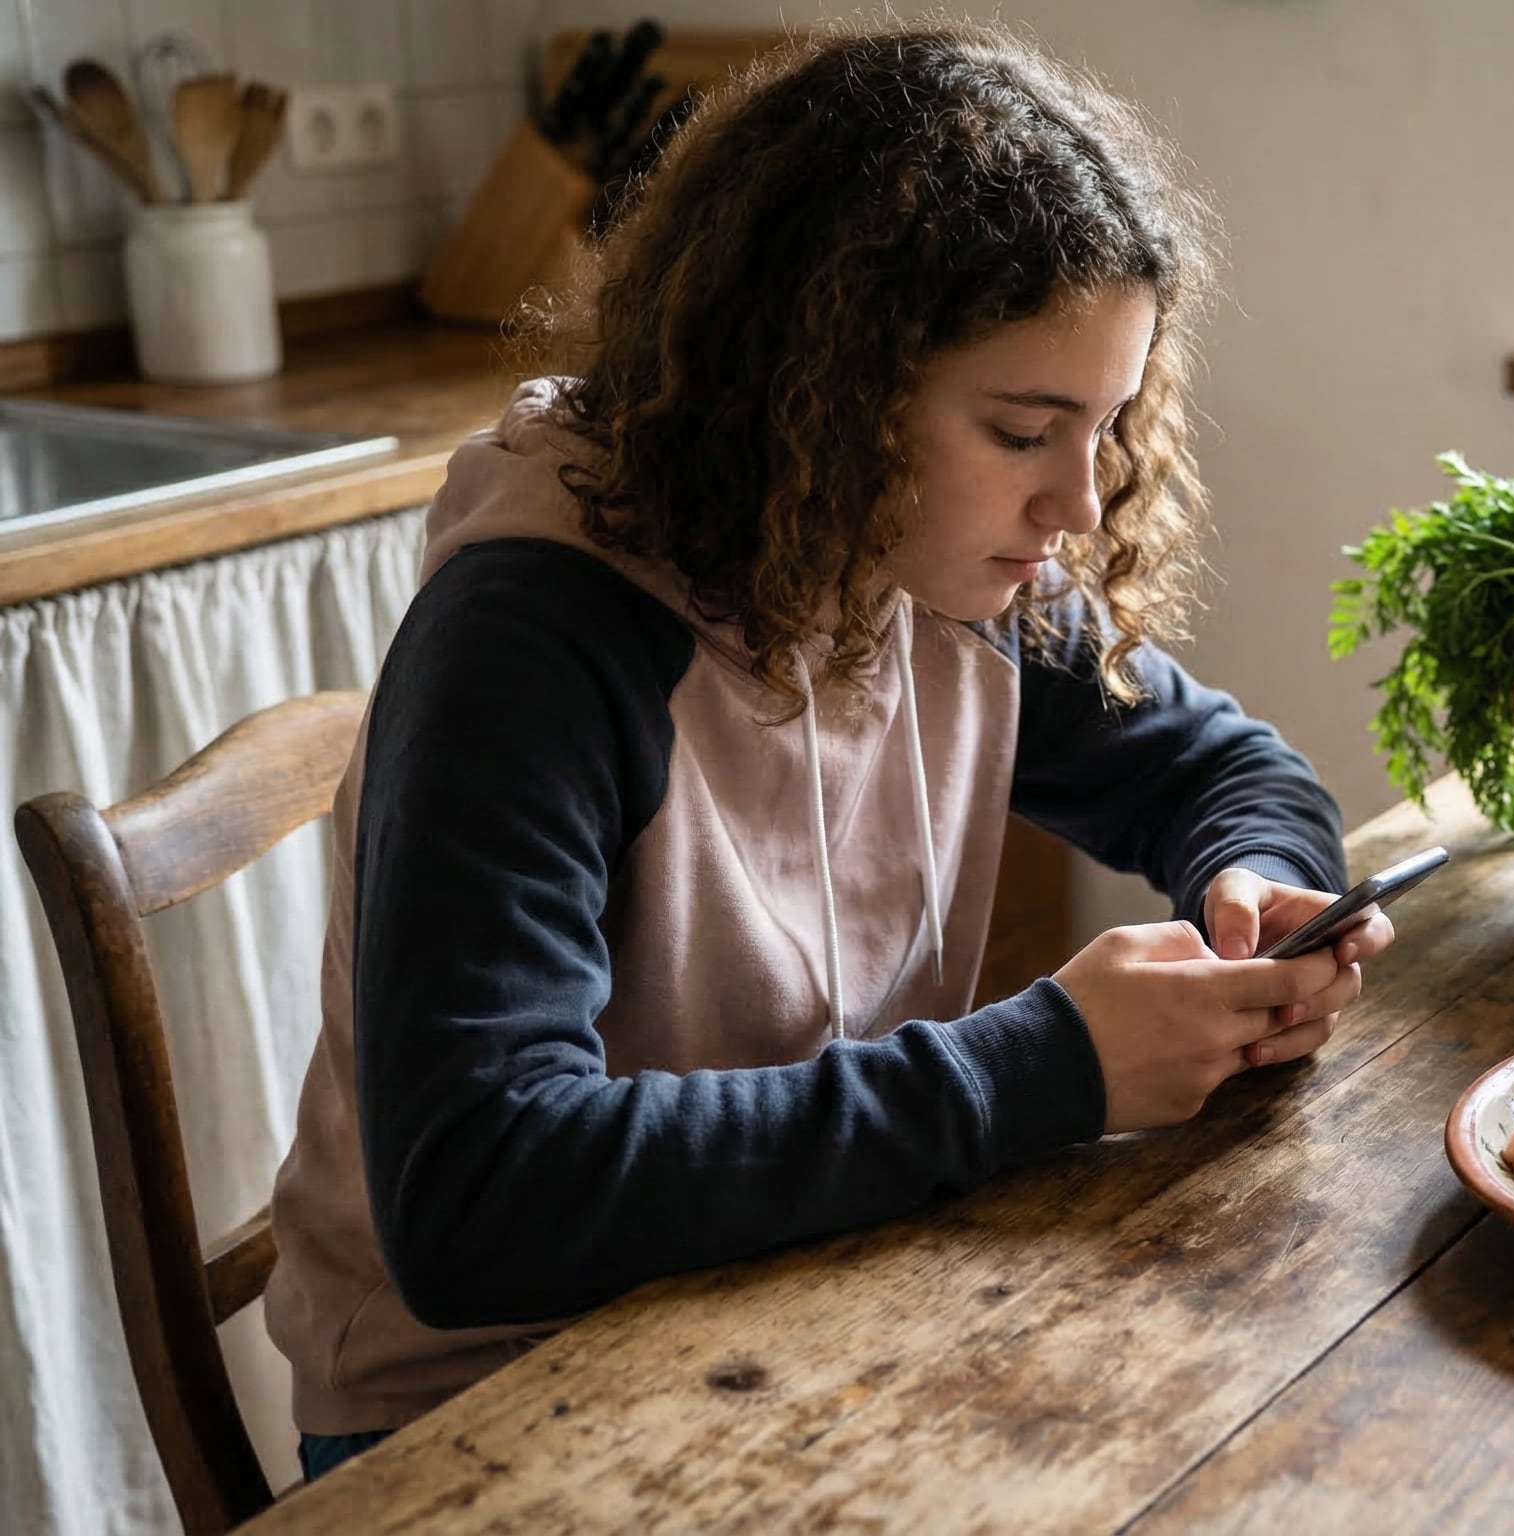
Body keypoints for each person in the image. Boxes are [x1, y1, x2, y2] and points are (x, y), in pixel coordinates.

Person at [262, 21, 1388, 1481]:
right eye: (1022, 429)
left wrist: (1256, 883)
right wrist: (1042, 1067)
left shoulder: (924, 563)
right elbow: (481, 1198)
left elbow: (1228, 774)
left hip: (791, 1302)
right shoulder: (530, 641)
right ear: (826, 383)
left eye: (1104, 430)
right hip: (480, 1416)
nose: (1082, 509)